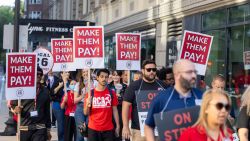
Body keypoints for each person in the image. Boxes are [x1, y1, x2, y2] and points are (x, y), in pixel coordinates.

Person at [144, 59, 203, 141]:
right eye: (189, 72)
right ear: (177, 75)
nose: (194, 76)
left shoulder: (202, 96)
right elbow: (148, 126)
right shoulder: (162, 98)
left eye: (195, 72)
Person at [122, 60, 168, 141]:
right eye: (148, 70)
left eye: (154, 70)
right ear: (142, 70)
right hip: (139, 130)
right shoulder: (134, 86)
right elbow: (125, 106)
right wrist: (125, 126)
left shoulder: (163, 85)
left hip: (159, 129)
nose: (152, 72)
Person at [13, 66, 51, 141]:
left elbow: (47, 111)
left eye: (41, 74)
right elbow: (13, 105)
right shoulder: (22, 89)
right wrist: (15, 109)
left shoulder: (45, 91)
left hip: (40, 127)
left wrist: (48, 130)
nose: (39, 76)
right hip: (25, 126)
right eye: (37, 74)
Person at [84, 69, 120, 141]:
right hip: (93, 129)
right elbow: (85, 113)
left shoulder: (111, 93)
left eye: (106, 77)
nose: (104, 79)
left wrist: (118, 126)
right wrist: (88, 104)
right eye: (102, 76)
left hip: (108, 129)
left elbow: (115, 110)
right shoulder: (90, 93)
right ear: (97, 78)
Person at [60, 71, 77, 141]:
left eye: (75, 84)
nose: (73, 85)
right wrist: (64, 101)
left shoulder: (78, 94)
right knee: (68, 135)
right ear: (69, 85)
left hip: (77, 116)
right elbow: (62, 107)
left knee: (77, 136)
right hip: (68, 116)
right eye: (72, 84)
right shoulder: (67, 94)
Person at [74, 69, 90, 141]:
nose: (85, 73)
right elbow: (74, 100)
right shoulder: (78, 84)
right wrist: (83, 96)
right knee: (81, 132)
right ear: (81, 74)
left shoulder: (95, 83)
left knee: (89, 131)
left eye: (87, 71)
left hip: (91, 108)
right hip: (80, 107)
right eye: (84, 72)